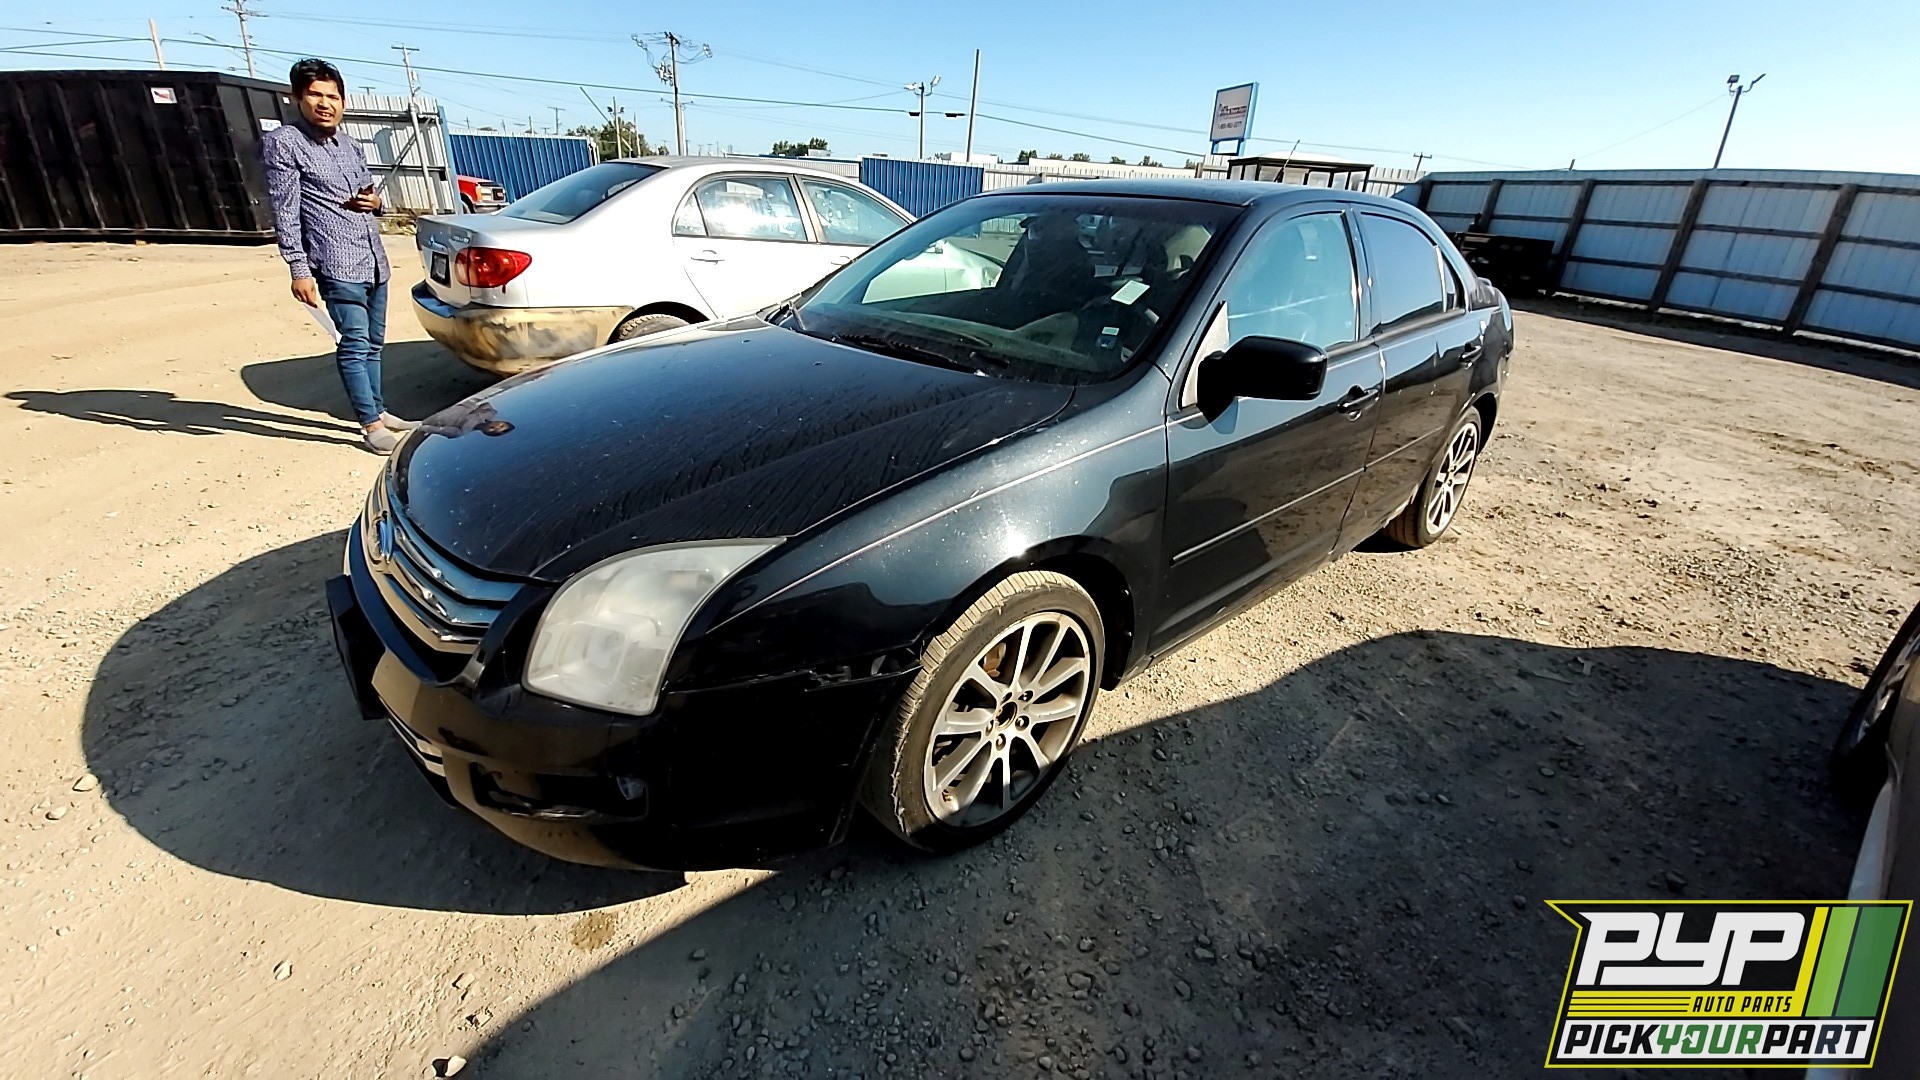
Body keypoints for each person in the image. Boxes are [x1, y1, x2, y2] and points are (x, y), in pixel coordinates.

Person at [261, 57, 415, 455]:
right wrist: (299, 269)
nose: (325, 104)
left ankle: (379, 409)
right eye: (315, 95)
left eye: (332, 96)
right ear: (297, 98)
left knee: (375, 343)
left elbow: (372, 198)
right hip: (335, 261)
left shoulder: (350, 145)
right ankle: (370, 424)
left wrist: (376, 204)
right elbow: (285, 211)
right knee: (354, 343)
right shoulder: (285, 143)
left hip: (373, 259)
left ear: (343, 101)